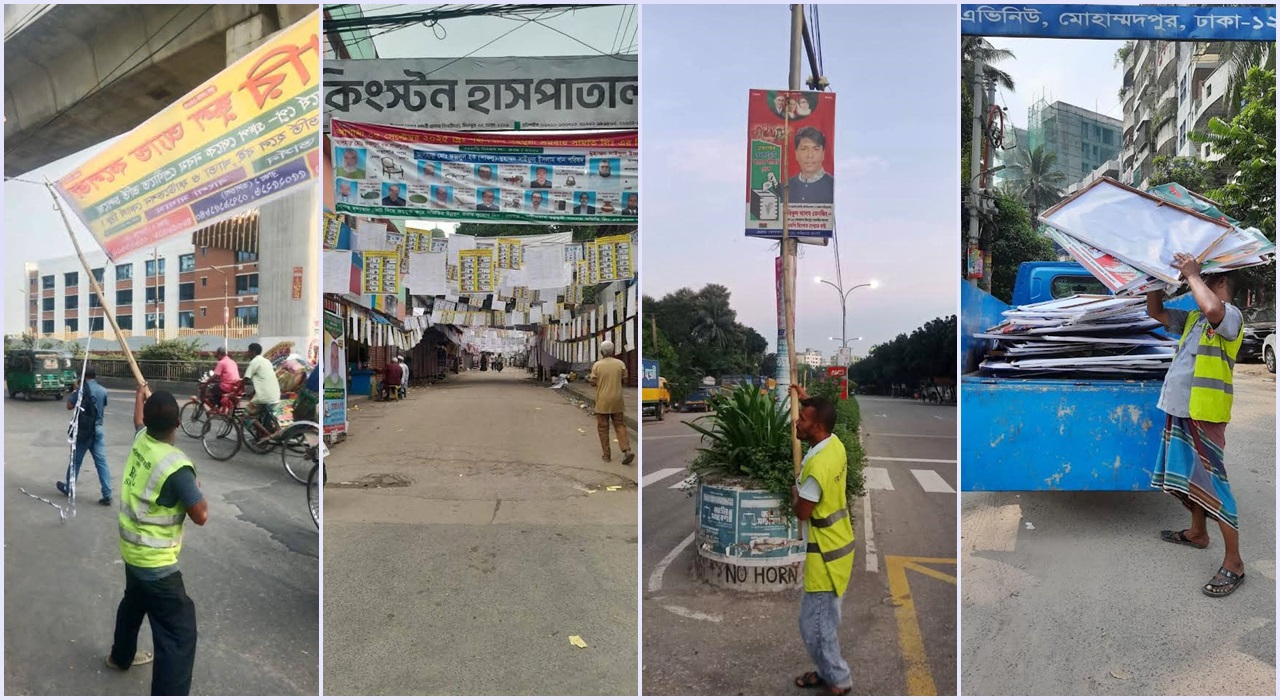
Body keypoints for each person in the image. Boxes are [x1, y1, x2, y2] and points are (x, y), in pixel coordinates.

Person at [1149, 259, 1246, 597]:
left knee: (1215, 488)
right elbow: (1155, 313)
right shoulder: (1193, 319)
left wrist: (1191, 274)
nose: (1195, 284)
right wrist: (1154, 280)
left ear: (1219, 283)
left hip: (1205, 414)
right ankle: (1197, 533)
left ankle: (1234, 563)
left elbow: (1213, 309)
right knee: (1189, 479)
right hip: (1180, 411)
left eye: (1203, 279)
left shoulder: (1229, 315)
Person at [107, 384, 208, 695]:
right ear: (178, 424)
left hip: (131, 551)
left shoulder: (142, 440)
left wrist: (139, 394)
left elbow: (137, 419)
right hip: (156, 562)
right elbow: (201, 515)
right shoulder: (176, 466)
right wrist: (195, 489)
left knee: (134, 602)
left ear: (149, 423)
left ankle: (120, 656)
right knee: (179, 635)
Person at [789, 385, 854, 696]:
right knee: (822, 621)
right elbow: (821, 412)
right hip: (840, 547)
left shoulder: (816, 467)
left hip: (825, 555)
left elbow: (803, 512)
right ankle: (827, 671)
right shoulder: (834, 445)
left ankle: (838, 679)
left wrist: (794, 493)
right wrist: (805, 399)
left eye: (801, 418)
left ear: (816, 426)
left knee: (815, 626)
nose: (796, 421)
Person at [58, 367, 112, 506]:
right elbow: (101, 406)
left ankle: (69, 488)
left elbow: (69, 406)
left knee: (75, 461)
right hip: (98, 430)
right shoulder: (103, 390)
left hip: (83, 431)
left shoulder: (81, 390)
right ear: (95, 375)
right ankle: (107, 493)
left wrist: (76, 390)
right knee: (101, 462)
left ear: (83, 376)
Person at [588, 341, 633, 465]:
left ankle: (606, 455)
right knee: (619, 425)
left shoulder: (597, 365)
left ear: (601, 352)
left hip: (602, 401)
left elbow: (592, 382)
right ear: (613, 351)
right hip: (617, 400)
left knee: (603, 428)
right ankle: (626, 450)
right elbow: (625, 379)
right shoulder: (620, 364)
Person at [242, 343, 282, 439]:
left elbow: (245, 379)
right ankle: (264, 432)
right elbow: (263, 380)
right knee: (260, 413)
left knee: (246, 415)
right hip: (275, 395)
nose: (247, 353)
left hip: (264, 397)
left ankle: (268, 436)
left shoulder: (254, 362)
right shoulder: (267, 361)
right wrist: (252, 393)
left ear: (253, 352)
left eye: (248, 351)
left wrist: (234, 392)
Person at [787, 126, 834, 204]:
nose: (810, 155)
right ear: (796, 154)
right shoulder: (785, 188)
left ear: (823, 154)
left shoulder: (834, 185)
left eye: (816, 149)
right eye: (804, 149)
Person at [208, 347, 240, 411]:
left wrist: (206, 383)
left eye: (216, 354)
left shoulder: (221, 362)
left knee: (212, 390)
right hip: (236, 386)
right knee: (218, 387)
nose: (216, 356)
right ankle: (220, 405)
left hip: (227, 386)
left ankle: (216, 406)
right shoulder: (233, 362)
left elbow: (215, 376)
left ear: (220, 353)